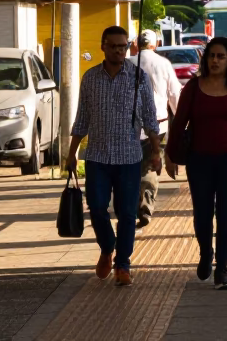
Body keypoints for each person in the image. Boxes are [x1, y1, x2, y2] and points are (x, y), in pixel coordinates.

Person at [166, 37, 227, 291]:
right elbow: (178, 124)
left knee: (225, 213)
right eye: (212, 56)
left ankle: (222, 268)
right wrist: (170, 155)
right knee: (202, 213)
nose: (215, 60)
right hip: (199, 159)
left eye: (221, 56)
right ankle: (205, 253)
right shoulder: (193, 88)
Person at [65, 26, 160, 287]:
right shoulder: (91, 77)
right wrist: (72, 154)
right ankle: (107, 247)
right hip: (97, 157)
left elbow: (150, 118)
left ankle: (123, 264)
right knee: (96, 208)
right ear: (103, 46)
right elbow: (82, 118)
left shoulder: (139, 77)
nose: (120, 50)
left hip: (129, 157)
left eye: (124, 46)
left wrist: (156, 152)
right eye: (114, 46)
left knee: (127, 213)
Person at [134, 29, 182, 228]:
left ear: (136, 44)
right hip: (158, 123)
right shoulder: (163, 64)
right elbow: (174, 94)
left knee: (132, 167)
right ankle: (145, 206)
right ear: (156, 44)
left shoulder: (129, 63)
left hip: (131, 125)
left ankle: (131, 204)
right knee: (151, 164)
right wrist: (181, 119)